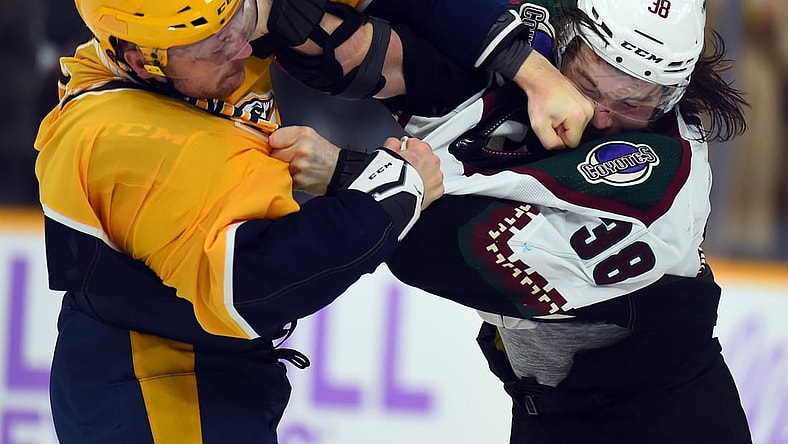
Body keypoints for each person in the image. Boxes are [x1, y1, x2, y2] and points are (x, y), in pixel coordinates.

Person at [33, 0, 599, 442]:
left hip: (202, 364)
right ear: (142, 61)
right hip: (158, 384)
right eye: (216, 44)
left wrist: (534, 74)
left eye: (237, 20)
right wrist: (386, 192)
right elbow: (252, 290)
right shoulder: (132, 142)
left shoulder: (180, 46)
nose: (242, 47)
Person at [273, 0, 752, 443]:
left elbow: (448, 252)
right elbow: (379, 52)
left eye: (633, 104)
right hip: (546, 412)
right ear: (568, 39)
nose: (601, 117)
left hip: (661, 423)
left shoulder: (662, 179)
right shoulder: (535, 51)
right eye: (588, 85)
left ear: (670, 95)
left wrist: (348, 175)